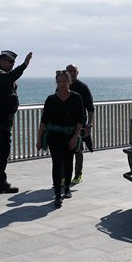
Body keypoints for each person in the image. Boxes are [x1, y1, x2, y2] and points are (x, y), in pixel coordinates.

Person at [36, 70, 84, 208]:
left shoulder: (76, 98)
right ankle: (57, 193)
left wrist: (75, 137)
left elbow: (79, 121)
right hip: (54, 136)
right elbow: (43, 121)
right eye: (59, 81)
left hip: (70, 135)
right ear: (56, 82)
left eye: (64, 81)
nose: (62, 84)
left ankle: (67, 187)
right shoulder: (51, 99)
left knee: (69, 161)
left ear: (69, 81)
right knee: (57, 164)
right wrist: (39, 139)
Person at [0, 50, 32, 194]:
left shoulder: (1, 77)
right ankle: (1, 183)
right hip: (1, 119)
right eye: (10, 62)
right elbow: (11, 76)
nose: (12, 65)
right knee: (2, 151)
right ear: (1, 61)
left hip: (2, 118)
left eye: (13, 62)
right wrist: (24, 65)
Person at [65, 64, 95, 184]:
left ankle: (78, 174)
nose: (71, 73)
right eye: (69, 70)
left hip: (80, 123)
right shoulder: (62, 86)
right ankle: (63, 176)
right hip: (64, 123)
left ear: (77, 72)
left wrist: (89, 125)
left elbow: (91, 108)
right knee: (64, 149)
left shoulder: (83, 87)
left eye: (73, 70)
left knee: (78, 149)